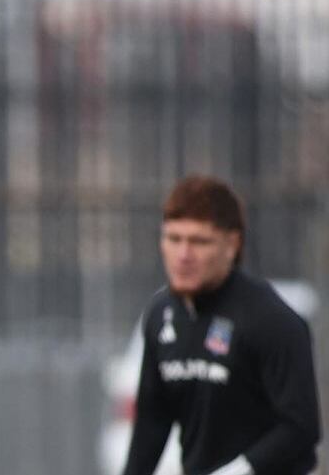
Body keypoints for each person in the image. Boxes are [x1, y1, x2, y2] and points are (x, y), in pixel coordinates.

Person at [123, 176, 320, 475]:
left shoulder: (270, 318)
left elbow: (301, 427)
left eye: (199, 241)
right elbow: (152, 424)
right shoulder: (161, 315)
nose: (183, 255)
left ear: (232, 244)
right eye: (174, 239)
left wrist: (237, 470)